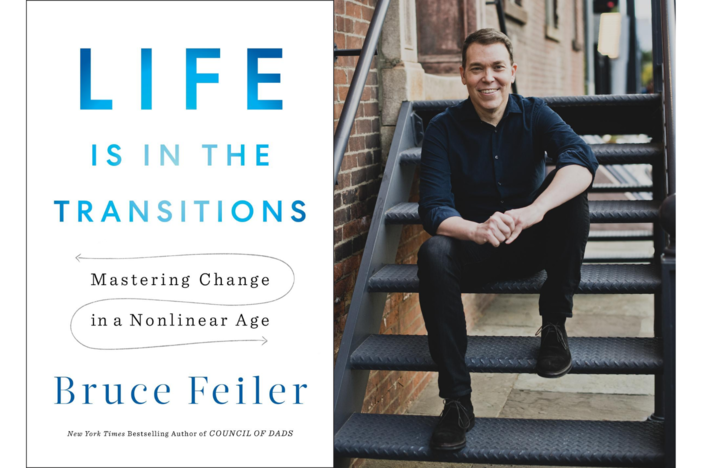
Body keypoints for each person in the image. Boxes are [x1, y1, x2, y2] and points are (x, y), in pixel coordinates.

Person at [417, 28, 599, 451]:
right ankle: (457, 402)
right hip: (475, 249)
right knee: (433, 252)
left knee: (569, 196)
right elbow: (434, 209)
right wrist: (475, 230)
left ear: (512, 71)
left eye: (497, 67)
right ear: (462, 75)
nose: (488, 78)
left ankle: (553, 325)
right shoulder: (443, 129)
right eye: (477, 68)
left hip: (532, 244)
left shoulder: (535, 113)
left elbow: (582, 159)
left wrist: (536, 210)